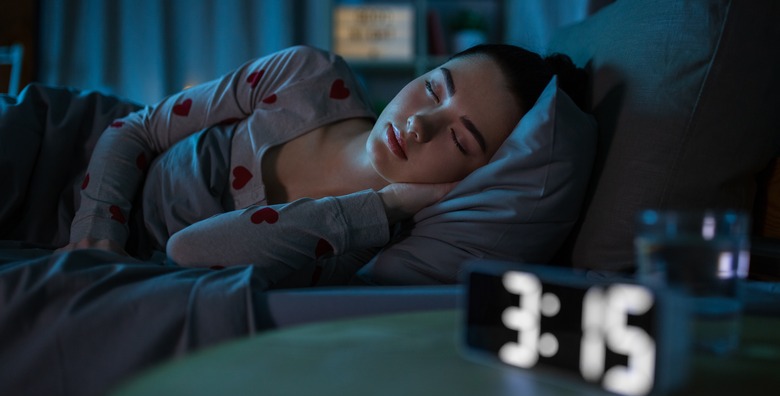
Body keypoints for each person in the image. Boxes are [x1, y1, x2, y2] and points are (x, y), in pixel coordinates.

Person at [58, 44, 584, 284]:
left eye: (462, 141)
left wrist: (386, 204)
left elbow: (188, 250)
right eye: (432, 88)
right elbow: (138, 127)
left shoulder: (361, 243)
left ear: (479, 176)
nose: (420, 124)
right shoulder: (310, 76)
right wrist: (97, 228)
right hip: (68, 151)